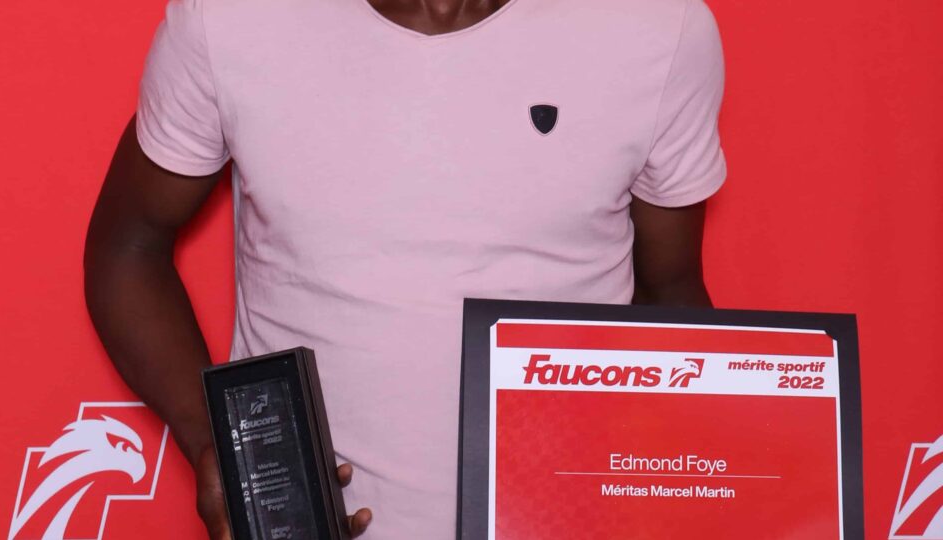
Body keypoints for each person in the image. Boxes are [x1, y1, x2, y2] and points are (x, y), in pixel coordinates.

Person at [83, 0, 727, 537]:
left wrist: (680, 486)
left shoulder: (658, 27)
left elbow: (670, 293)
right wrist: (224, 446)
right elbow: (127, 249)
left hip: (566, 520)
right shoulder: (232, 17)